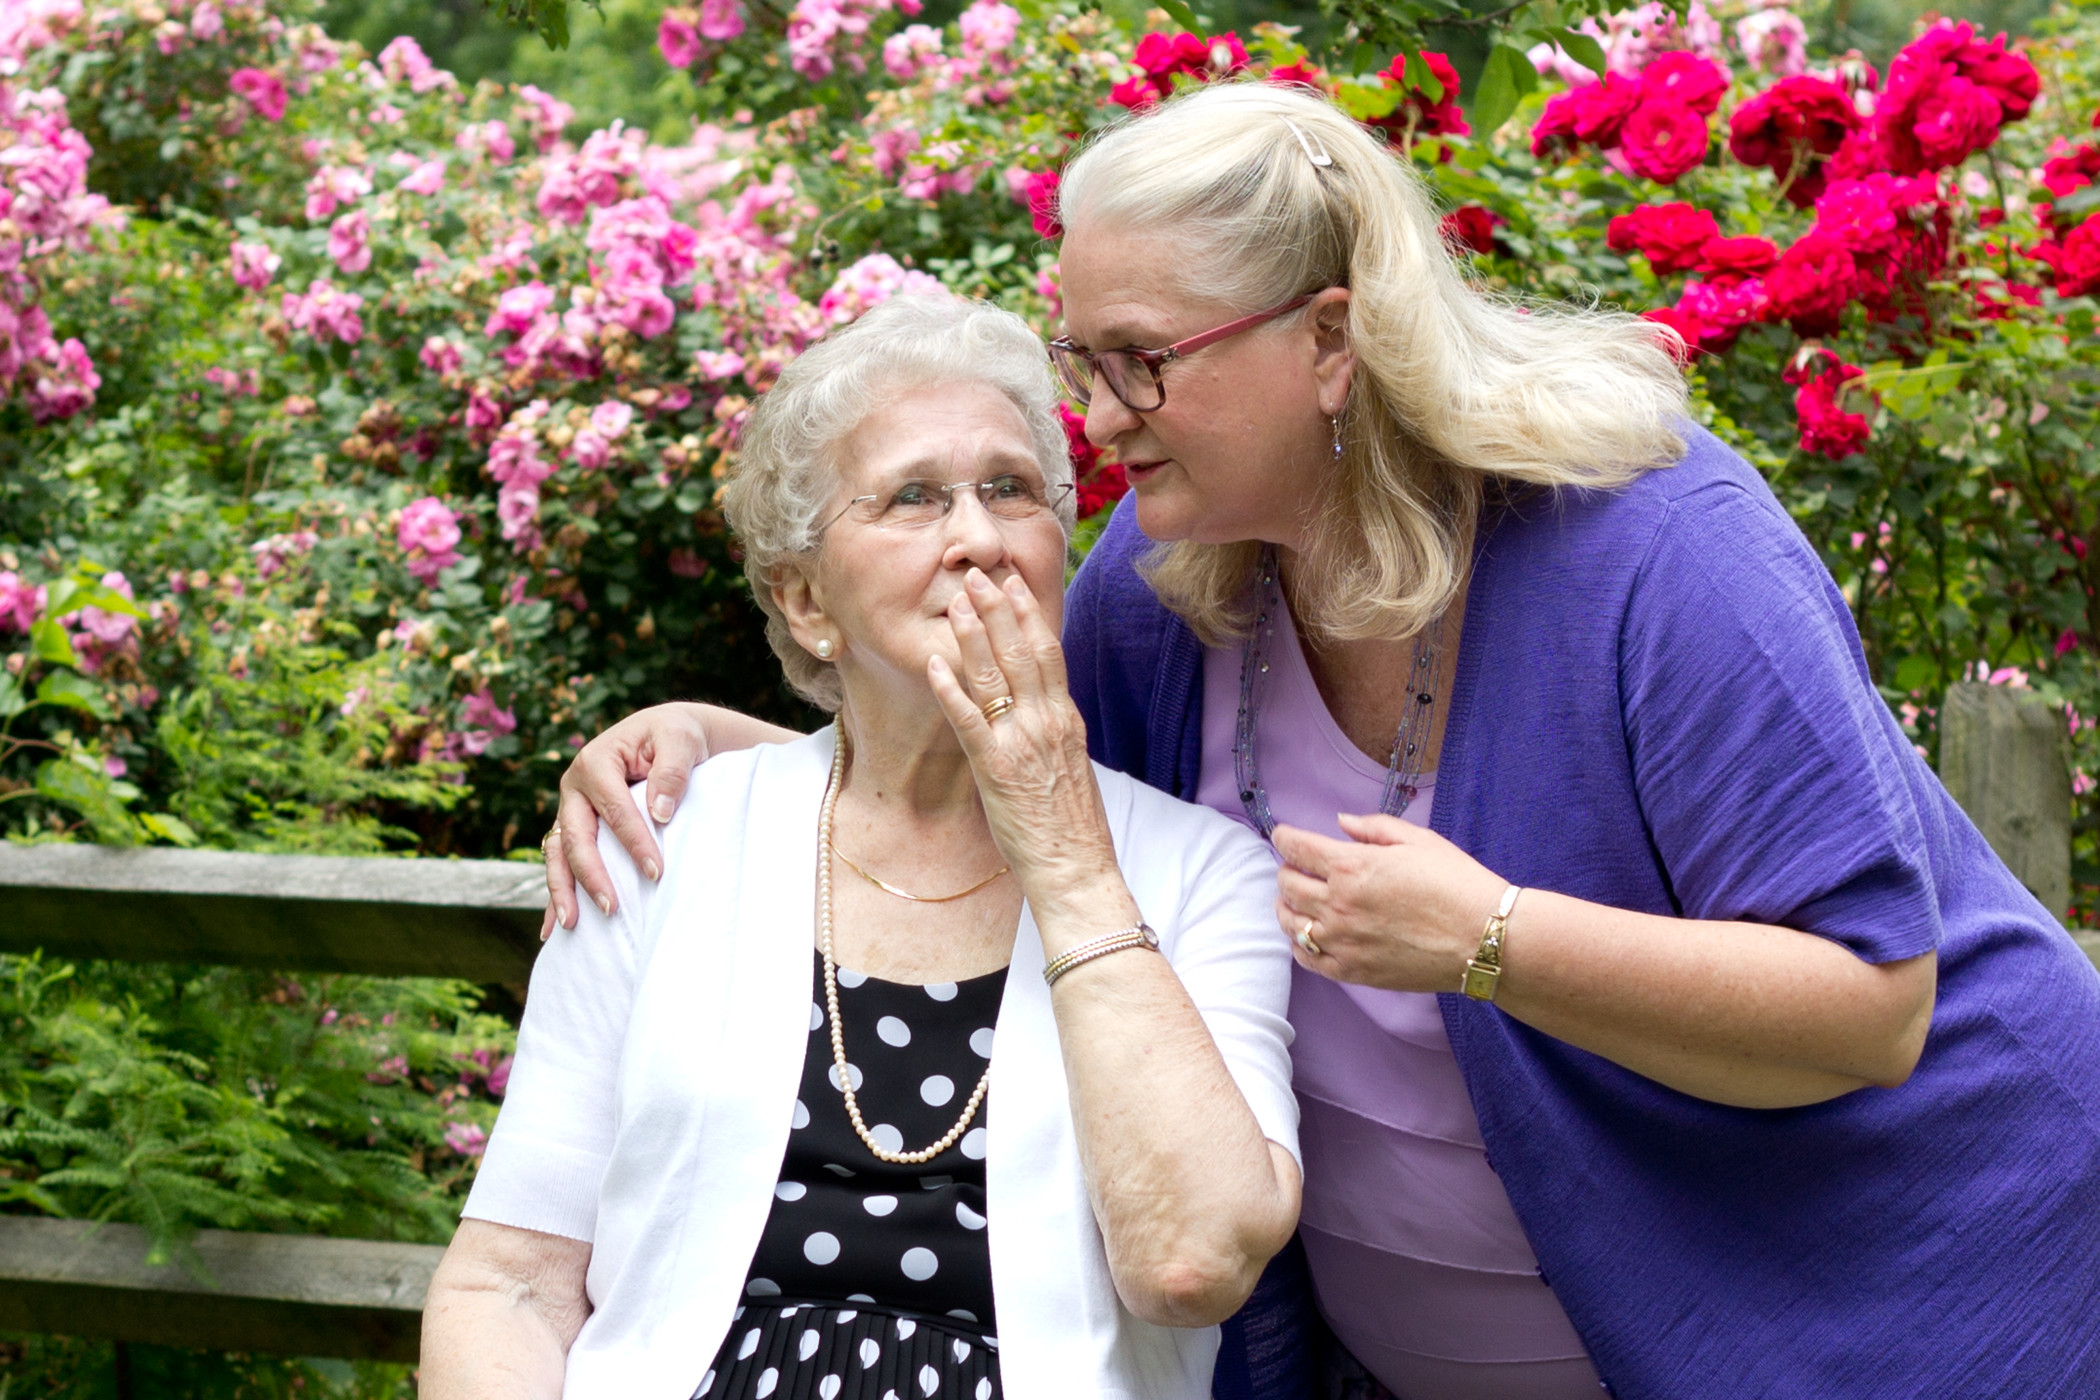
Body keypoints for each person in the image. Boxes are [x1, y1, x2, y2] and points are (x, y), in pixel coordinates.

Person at [538, 82, 2100, 1400]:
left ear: (1332, 342)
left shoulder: (1656, 547)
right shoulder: (1157, 592)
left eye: (1142, 359)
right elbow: (1007, 777)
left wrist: (1492, 939)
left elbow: (1870, 1007)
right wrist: (720, 746)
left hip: (1901, 1303)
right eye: (1081, 362)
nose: (1097, 416)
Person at [421, 292, 1303, 1400]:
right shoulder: (663, 845)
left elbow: (1193, 1264)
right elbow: (509, 1285)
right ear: (805, 601)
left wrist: (1064, 850)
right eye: (914, 497)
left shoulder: (1203, 876)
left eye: (1011, 490)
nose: (979, 538)